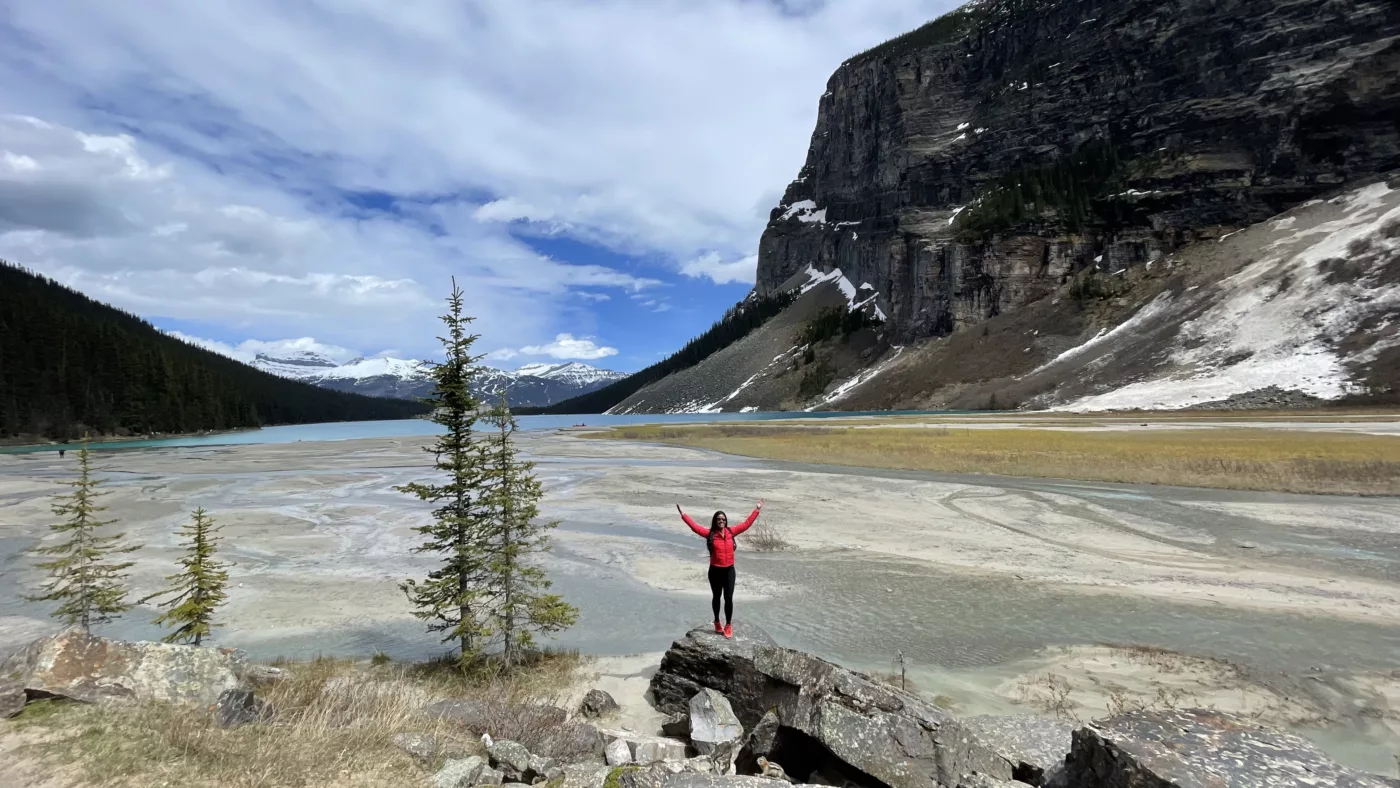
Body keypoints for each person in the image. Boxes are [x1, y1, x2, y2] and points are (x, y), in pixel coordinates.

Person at [677, 499, 763, 639]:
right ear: (715, 521)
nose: (721, 521)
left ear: (726, 521)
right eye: (718, 519)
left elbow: (747, 524)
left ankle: (728, 625)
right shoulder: (710, 534)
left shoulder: (731, 532)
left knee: (728, 598)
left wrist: (757, 509)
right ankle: (717, 621)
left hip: (729, 571)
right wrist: (683, 515)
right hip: (715, 571)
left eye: (723, 519)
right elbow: (694, 527)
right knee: (716, 597)